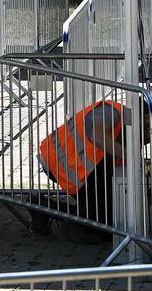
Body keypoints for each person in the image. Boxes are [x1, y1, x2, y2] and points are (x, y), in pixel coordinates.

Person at [30, 99, 129, 243]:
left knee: (105, 221)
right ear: (146, 119)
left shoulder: (126, 124)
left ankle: (45, 207)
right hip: (61, 163)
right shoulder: (112, 111)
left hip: (76, 167)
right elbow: (98, 138)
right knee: (99, 217)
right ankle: (55, 214)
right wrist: (129, 155)